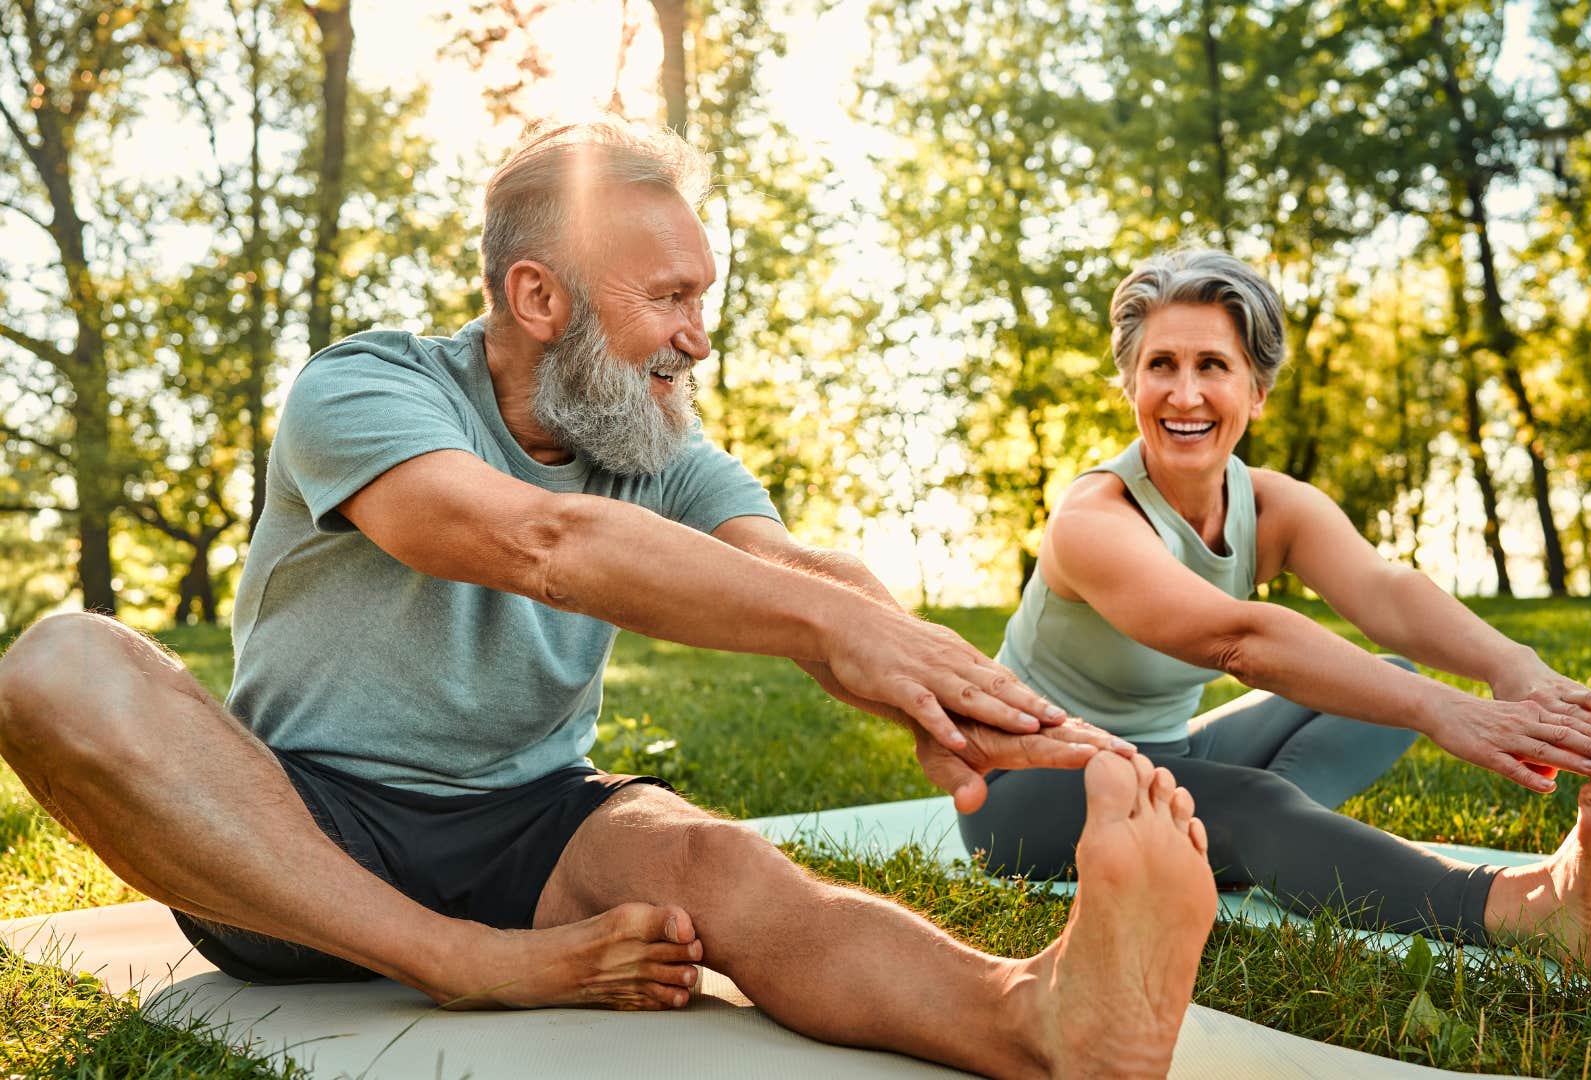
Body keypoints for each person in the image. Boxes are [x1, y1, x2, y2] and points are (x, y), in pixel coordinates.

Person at [0, 123, 1222, 1079]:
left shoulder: (658, 444)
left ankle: (1036, 1020)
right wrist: (833, 628)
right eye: (670, 298)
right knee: (57, 665)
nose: (699, 339)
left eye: (704, 297)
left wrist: (944, 682)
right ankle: (461, 961)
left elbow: (796, 573)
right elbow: (534, 540)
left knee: (718, 863)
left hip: (533, 821)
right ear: (539, 298)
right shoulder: (365, 388)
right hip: (301, 836)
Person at [958, 248, 1591, 971]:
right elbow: (1239, 640)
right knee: (1257, 800)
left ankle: (1244, 837)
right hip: (1025, 787)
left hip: (1166, 754)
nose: (1185, 395)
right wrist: (1447, 711)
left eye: (1212, 366)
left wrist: (1514, 668)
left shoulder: (1269, 505)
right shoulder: (1094, 519)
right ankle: (1532, 906)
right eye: (1161, 365)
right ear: (1131, 384)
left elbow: (1385, 592)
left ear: (1256, 391)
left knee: (1383, 684)